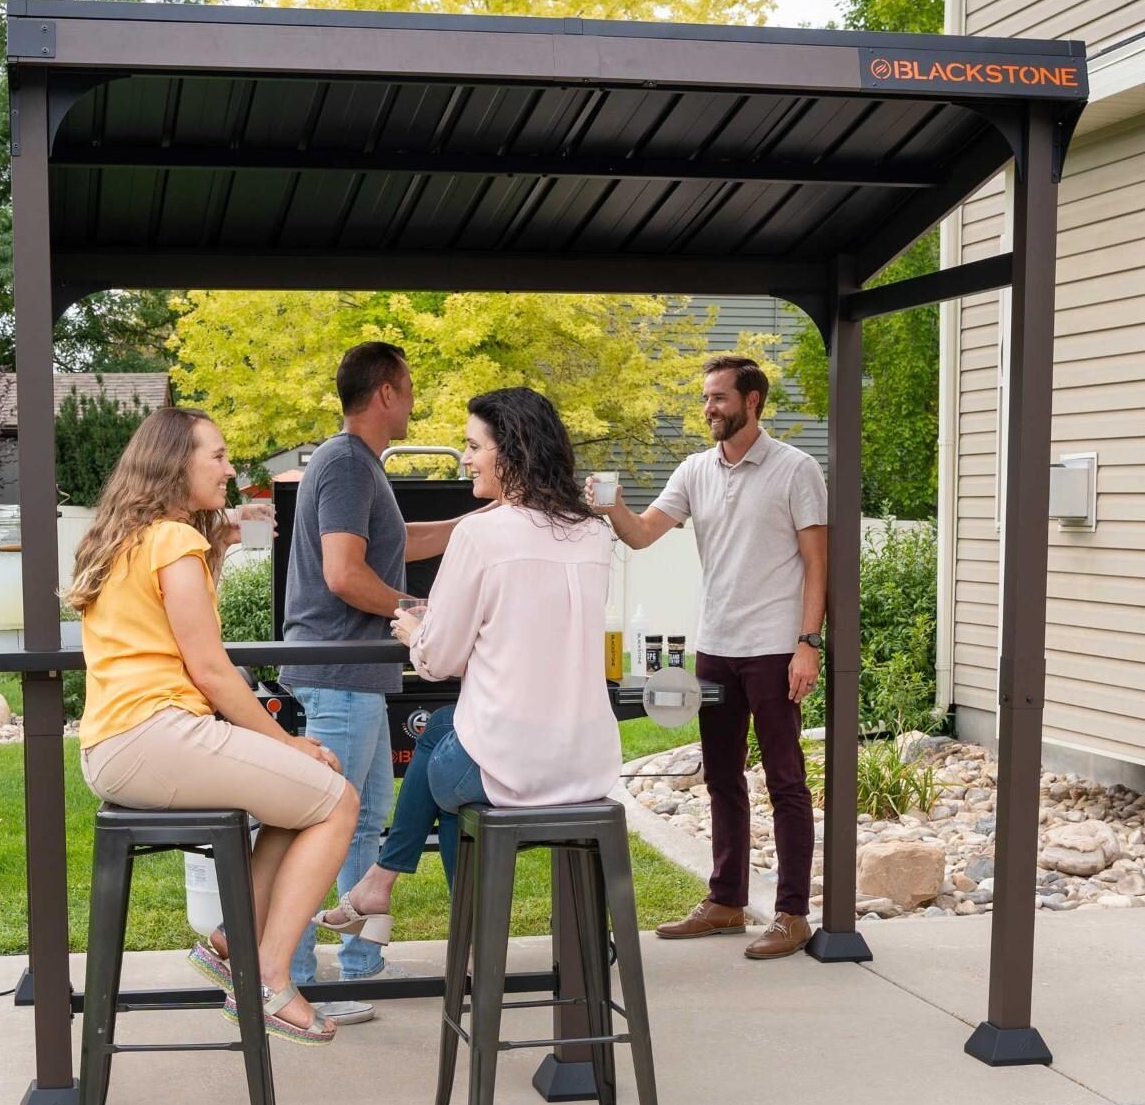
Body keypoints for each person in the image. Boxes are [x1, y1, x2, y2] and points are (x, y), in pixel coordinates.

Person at [68, 406, 360, 1045]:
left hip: (118, 744)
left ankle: (232, 940)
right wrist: (287, 742)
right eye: (219, 456)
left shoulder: (130, 536)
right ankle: (271, 980)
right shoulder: (173, 541)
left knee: (298, 802)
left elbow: (176, 633)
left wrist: (219, 545)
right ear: (177, 463)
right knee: (338, 800)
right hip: (156, 734)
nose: (230, 470)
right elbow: (211, 670)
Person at [314, 386, 620, 935]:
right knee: (446, 735)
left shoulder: (480, 533)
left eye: (474, 446)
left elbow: (437, 661)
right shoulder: (596, 533)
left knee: (445, 760)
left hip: (514, 767)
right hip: (589, 762)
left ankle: (414, 903)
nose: (465, 458)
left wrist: (414, 631)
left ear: (513, 452)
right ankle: (414, 907)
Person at [588, 354, 827, 959]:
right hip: (715, 645)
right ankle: (725, 902)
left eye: (718, 397)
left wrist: (808, 643)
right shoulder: (695, 470)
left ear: (752, 401)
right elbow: (643, 533)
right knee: (721, 778)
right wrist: (612, 507)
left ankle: (793, 914)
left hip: (775, 647)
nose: (708, 408)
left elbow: (817, 563)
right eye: (705, 398)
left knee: (786, 780)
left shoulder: (796, 469)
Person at [280, 342, 473, 1021]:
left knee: (362, 825)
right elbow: (343, 574)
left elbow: (399, 541)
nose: (414, 400)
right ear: (386, 392)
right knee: (325, 826)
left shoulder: (360, 466)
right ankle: (296, 978)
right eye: (409, 387)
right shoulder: (345, 464)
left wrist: (472, 526)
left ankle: (358, 969)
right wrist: (416, 611)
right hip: (336, 672)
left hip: (355, 676)